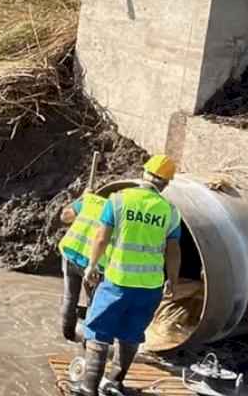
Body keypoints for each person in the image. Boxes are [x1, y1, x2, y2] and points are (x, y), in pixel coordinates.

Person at [70, 155, 182, 396]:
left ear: (144, 174)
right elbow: (173, 250)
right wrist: (172, 279)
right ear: (166, 183)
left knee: (99, 330)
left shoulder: (118, 200)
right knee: (131, 334)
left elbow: (101, 237)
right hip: (150, 287)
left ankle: (88, 387)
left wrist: (91, 266)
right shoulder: (169, 211)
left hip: (118, 282)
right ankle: (113, 382)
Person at [57, 180, 111, 343]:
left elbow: (64, 217)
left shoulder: (89, 200)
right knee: (93, 303)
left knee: (69, 298)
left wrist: (81, 198)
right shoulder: (116, 209)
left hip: (70, 253)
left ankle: (68, 335)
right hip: (94, 263)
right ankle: (89, 343)